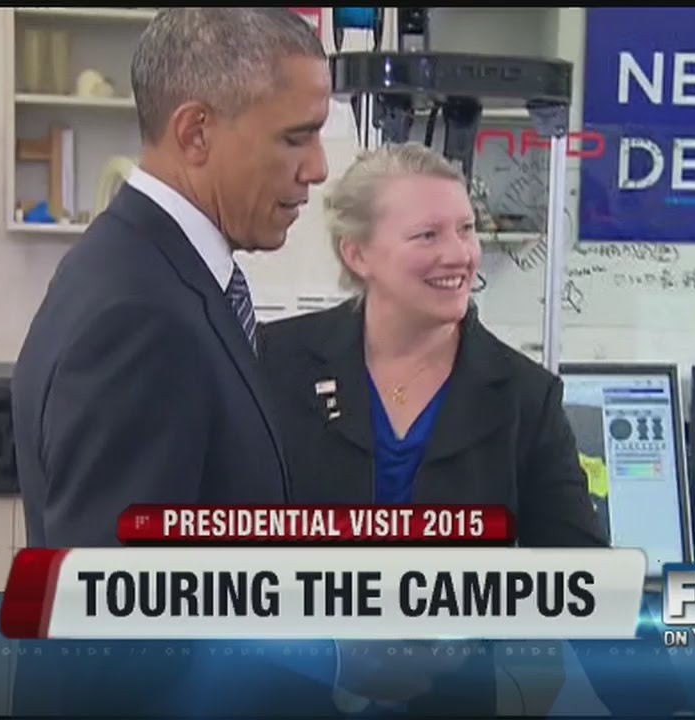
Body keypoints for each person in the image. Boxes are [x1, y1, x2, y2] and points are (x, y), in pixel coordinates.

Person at [9, 9, 335, 717]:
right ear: (196, 132)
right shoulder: (142, 318)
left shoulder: (152, 270)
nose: (318, 169)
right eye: (296, 137)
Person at [259, 142, 608, 716]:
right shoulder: (277, 364)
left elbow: (585, 582)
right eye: (428, 235)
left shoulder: (523, 395)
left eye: (466, 229)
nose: (460, 254)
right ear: (358, 253)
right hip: (288, 693)